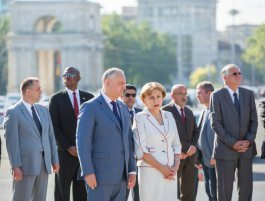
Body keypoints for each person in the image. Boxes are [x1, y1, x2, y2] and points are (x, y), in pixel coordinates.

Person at [76, 67, 136, 201]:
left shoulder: (123, 108)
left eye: (124, 83)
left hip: (122, 177)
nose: (124, 87)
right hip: (99, 177)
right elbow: (82, 142)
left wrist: (131, 170)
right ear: (108, 82)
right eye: (120, 83)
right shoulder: (90, 107)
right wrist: (88, 172)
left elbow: (129, 141)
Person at [3, 77, 59, 201]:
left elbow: (50, 136)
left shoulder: (44, 110)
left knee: (40, 199)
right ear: (28, 91)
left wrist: (55, 159)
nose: (41, 92)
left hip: (44, 165)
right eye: (38, 89)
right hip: (25, 166)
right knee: (21, 198)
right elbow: (12, 143)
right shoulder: (13, 112)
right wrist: (15, 166)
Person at [210, 64, 258, 201]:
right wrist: (233, 143)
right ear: (225, 78)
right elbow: (216, 123)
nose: (239, 76)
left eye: (239, 73)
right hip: (225, 151)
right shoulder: (217, 96)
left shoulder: (248, 94)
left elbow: (254, 121)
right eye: (234, 74)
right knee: (224, 192)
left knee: (246, 190)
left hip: (246, 150)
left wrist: (248, 140)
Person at [49, 67, 94, 201]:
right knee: (62, 192)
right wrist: (68, 146)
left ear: (79, 78)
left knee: (82, 192)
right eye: (65, 75)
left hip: (84, 154)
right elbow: (54, 127)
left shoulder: (89, 98)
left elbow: (93, 126)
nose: (67, 77)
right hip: (64, 154)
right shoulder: (56, 99)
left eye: (71, 75)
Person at [133, 82, 181, 201]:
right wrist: (162, 168)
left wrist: (175, 166)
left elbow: (176, 144)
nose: (156, 100)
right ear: (144, 99)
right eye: (151, 97)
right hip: (150, 171)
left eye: (158, 96)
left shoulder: (169, 115)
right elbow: (140, 151)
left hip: (170, 171)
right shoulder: (140, 118)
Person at [162, 84, 199, 201]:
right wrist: (186, 148)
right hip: (173, 157)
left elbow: (195, 132)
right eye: (180, 94)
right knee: (170, 191)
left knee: (189, 193)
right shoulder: (165, 111)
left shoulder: (189, 111)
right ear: (172, 95)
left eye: (185, 93)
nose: (184, 97)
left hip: (190, 158)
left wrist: (190, 150)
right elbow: (169, 134)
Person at [196, 81, 217, 201]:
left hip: (215, 160)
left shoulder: (217, 110)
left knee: (216, 194)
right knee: (209, 192)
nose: (197, 96)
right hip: (205, 160)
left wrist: (216, 155)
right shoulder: (204, 110)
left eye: (199, 93)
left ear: (209, 93)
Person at [121, 84, 141, 201]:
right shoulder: (117, 113)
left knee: (139, 196)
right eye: (127, 95)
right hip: (123, 162)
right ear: (122, 96)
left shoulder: (141, 113)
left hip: (139, 161)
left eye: (133, 95)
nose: (130, 97)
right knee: (122, 196)